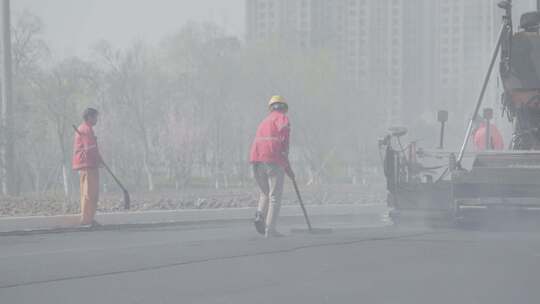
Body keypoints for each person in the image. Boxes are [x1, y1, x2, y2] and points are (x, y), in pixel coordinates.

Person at [249, 96, 294, 238]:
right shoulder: (283, 119)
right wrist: (288, 169)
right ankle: (270, 230)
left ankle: (259, 214)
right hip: (272, 159)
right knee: (275, 196)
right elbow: (284, 145)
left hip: (256, 160)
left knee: (265, 193)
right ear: (284, 108)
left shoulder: (264, 121)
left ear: (271, 108)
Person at [72, 108, 102, 227]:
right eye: (95, 117)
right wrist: (97, 160)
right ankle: (86, 220)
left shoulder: (86, 129)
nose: (96, 120)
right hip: (87, 164)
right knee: (89, 193)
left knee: (92, 193)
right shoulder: (85, 129)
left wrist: (99, 159)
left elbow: (92, 148)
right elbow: (89, 150)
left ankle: (89, 218)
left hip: (89, 163)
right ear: (89, 117)